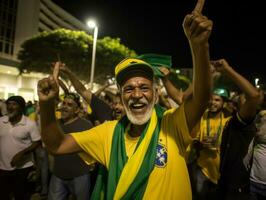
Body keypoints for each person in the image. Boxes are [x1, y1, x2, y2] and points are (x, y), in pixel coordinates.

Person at [37, 4, 213, 199]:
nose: (136, 94)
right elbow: (57, 145)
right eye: (129, 89)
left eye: (144, 87)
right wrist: (46, 105)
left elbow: (201, 98)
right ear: (121, 96)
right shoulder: (108, 133)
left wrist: (199, 47)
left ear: (155, 95)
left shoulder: (172, 124)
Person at [214, 59, 261, 200]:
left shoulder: (242, 123)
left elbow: (254, 96)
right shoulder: (232, 120)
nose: (246, 97)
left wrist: (228, 70)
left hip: (236, 186)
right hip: (226, 181)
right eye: (243, 97)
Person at [48, 93, 94, 200]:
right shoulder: (56, 124)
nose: (64, 106)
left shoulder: (86, 126)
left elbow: (93, 147)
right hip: (58, 174)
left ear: (77, 110)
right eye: (63, 103)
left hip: (80, 175)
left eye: (69, 105)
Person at [0, 95, 41, 200]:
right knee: (3, 194)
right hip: (2, 167)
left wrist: (22, 153)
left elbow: (37, 142)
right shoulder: (1, 121)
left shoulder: (30, 124)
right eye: (9, 104)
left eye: (14, 104)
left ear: (21, 108)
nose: (10, 107)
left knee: (20, 195)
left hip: (23, 168)